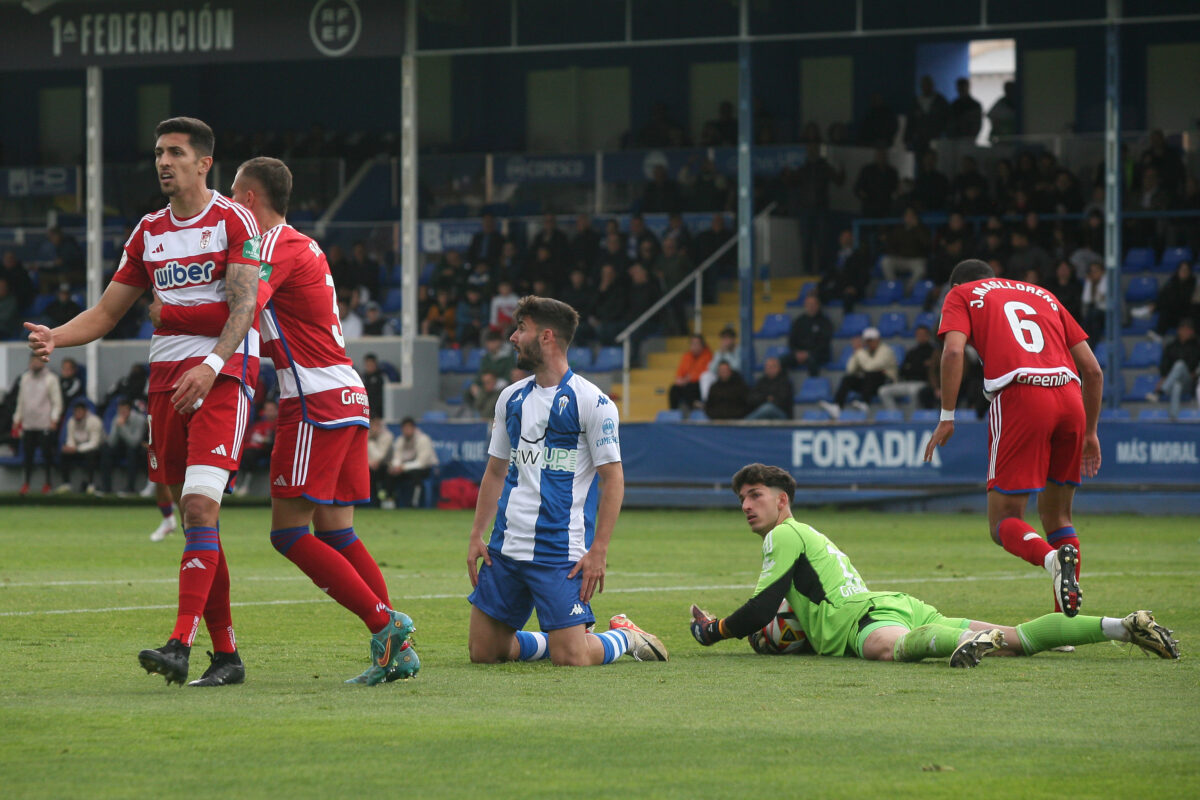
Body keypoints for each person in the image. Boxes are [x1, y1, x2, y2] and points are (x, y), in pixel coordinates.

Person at [24, 117, 262, 687]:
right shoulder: (149, 230)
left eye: (176, 153)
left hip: (222, 378)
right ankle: (226, 656)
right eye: (159, 152)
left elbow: (244, 306)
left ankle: (180, 644)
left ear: (205, 163)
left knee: (201, 510)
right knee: (195, 518)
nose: (164, 162)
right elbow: (107, 314)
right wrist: (58, 335)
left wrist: (210, 367)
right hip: (165, 387)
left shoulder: (233, 219)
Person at [216, 156, 416, 684]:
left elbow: (242, 306)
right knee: (336, 529)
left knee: (287, 533)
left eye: (233, 196)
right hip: (348, 392)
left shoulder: (271, 246)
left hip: (313, 401)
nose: (228, 207)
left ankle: (385, 625)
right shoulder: (306, 244)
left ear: (250, 200)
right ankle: (396, 651)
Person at [688, 464, 1180, 666]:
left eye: (755, 496)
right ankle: (1122, 625)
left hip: (867, 620)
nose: (747, 506)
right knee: (1017, 637)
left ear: (783, 500)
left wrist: (714, 630)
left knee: (886, 649)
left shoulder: (784, 533)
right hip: (898, 604)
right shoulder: (805, 533)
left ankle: (964, 645)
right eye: (742, 500)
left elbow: (760, 610)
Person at [466, 296, 667, 666]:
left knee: (572, 658)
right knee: (485, 653)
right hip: (506, 548)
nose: (512, 337)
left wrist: (599, 550)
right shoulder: (510, 398)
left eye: (521, 329)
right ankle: (553, 638)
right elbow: (495, 471)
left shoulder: (593, 402)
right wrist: (477, 534)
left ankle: (624, 635)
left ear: (546, 337)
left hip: (560, 551)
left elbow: (613, 479)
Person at [924, 259, 1103, 618]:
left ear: (955, 286)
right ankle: (1063, 626)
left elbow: (954, 350)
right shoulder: (1043, 294)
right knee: (1058, 515)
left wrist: (947, 416)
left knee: (1003, 521)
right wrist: (1091, 431)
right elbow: (1093, 370)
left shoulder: (962, 294)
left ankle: (1051, 560)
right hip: (1070, 395)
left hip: (1022, 396)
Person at [12, 355, 62, 495]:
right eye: (32, 361)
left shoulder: (51, 379)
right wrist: (17, 418)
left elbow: (57, 402)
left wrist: (54, 419)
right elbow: (21, 401)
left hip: (44, 424)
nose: (34, 364)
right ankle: (26, 484)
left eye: (37, 361)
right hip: (28, 424)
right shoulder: (25, 378)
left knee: (47, 455)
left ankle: (48, 484)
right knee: (27, 456)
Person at [821, 327, 897, 418]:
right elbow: (850, 369)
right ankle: (837, 406)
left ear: (878, 339)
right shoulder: (864, 352)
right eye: (867, 341)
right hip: (869, 384)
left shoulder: (886, 351)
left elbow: (870, 367)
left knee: (872, 374)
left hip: (886, 382)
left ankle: (865, 403)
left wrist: (860, 352)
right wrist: (856, 353)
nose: (869, 343)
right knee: (848, 379)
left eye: (871, 340)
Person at [1149, 318, 1199, 419]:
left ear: (1192, 332)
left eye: (1188, 329)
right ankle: (1174, 417)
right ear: (1179, 330)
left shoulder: (1196, 347)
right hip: (1173, 380)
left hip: (1188, 379)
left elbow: (1193, 366)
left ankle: (1161, 391)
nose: (1186, 331)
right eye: (1183, 329)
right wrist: (1165, 376)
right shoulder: (1171, 346)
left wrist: (1166, 379)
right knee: (1176, 386)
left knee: (1179, 364)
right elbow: (1164, 364)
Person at [878, 325, 936, 411]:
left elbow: (927, 371)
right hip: (907, 382)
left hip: (923, 383)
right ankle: (894, 415)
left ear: (928, 336)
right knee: (883, 391)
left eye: (923, 334)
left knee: (913, 391)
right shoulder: (912, 352)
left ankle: (912, 418)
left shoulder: (933, 351)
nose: (920, 337)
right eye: (918, 334)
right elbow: (903, 370)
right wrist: (920, 366)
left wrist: (912, 367)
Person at [385, 416, 439, 509]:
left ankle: (414, 503)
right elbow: (397, 457)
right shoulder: (400, 440)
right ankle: (390, 501)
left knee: (416, 474)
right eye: (404, 428)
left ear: (414, 428)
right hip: (406, 468)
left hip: (426, 468)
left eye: (409, 428)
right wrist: (396, 467)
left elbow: (422, 462)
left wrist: (403, 467)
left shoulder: (423, 439)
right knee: (390, 473)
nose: (407, 430)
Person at [98, 397, 147, 495]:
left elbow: (134, 442)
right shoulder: (117, 418)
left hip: (136, 448)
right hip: (120, 446)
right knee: (105, 450)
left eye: (124, 410)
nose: (122, 412)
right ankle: (106, 487)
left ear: (129, 410)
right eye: (120, 410)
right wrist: (117, 426)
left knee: (131, 452)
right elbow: (111, 442)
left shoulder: (140, 419)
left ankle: (130, 488)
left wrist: (122, 427)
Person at [58, 401, 102, 493]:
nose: (77, 414)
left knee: (91, 454)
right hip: (78, 449)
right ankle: (66, 484)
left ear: (85, 412)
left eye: (80, 412)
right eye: (76, 412)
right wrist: (69, 447)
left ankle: (90, 484)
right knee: (64, 454)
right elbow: (70, 439)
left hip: (96, 450)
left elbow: (94, 443)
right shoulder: (71, 421)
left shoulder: (95, 421)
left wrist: (77, 449)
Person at [787, 294, 833, 376]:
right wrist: (797, 352)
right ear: (805, 305)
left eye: (813, 304)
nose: (811, 307)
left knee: (812, 361)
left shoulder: (824, 322)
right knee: (779, 362)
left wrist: (808, 353)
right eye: (808, 304)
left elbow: (824, 343)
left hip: (819, 354)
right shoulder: (799, 321)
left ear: (818, 305)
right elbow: (791, 340)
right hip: (800, 353)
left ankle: (814, 386)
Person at [668, 334, 711, 413]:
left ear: (702, 345)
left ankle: (697, 407)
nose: (694, 346)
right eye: (692, 344)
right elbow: (680, 371)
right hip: (686, 383)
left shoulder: (708, 355)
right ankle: (673, 413)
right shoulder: (687, 356)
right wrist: (679, 379)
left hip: (698, 384)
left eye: (696, 344)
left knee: (690, 388)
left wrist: (688, 379)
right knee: (674, 389)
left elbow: (704, 373)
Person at [745, 356, 793, 420]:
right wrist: (766, 398)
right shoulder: (761, 381)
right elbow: (751, 398)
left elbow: (783, 401)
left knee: (768, 408)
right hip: (762, 411)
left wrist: (764, 400)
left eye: (772, 366)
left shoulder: (785, 382)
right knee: (765, 408)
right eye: (767, 367)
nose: (769, 369)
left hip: (782, 414)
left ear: (779, 368)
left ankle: (745, 423)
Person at [700, 326, 739, 401]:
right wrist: (721, 354)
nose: (725, 341)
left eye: (728, 338)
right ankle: (706, 401)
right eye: (723, 338)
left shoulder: (739, 350)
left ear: (733, 339)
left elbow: (736, 368)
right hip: (720, 376)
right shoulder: (719, 352)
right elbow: (711, 369)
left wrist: (727, 353)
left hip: (734, 377)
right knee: (705, 375)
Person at [366, 416, 394, 508]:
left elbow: (379, 456)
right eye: (373, 424)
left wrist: (370, 441)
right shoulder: (364, 434)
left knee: (388, 473)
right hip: (369, 466)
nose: (375, 427)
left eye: (377, 424)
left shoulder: (387, 436)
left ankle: (387, 500)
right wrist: (370, 463)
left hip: (384, 466)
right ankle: (370, 503)